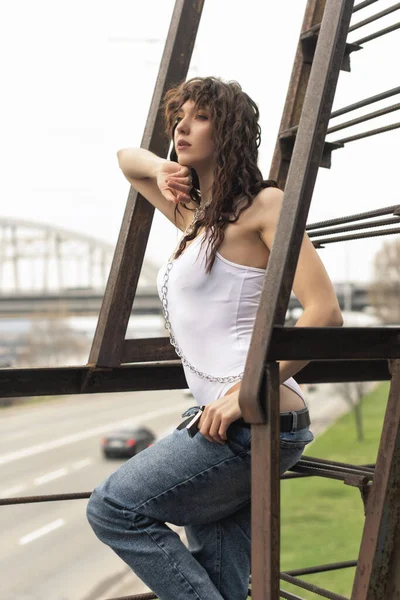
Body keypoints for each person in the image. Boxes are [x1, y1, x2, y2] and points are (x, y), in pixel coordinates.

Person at [87, 76, 343, 600]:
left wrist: (243, 392)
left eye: (199, 116)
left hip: (256, 416)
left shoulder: (265, 206)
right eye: (179, 117)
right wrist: (163, 168)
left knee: (113, 508)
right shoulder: (195, 217)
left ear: (228, 130)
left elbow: (325, 314)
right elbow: (124, 159)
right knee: (221, 577)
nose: (182, 126)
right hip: (220, 420)